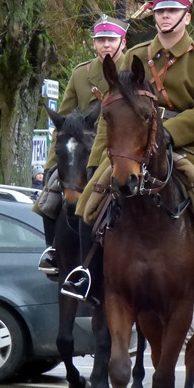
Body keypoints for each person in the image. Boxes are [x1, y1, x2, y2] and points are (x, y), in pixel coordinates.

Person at [67, 0, 194, 302]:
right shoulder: (135, 55)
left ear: (187, 17)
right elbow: (116, 108)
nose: (165, 16)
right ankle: (88, 275)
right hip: (133, 144)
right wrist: (97, 160)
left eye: (172, 11)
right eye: (160, 11)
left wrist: (169, 132)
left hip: (188, 143)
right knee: (87, 206)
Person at [35, 14, 128, 275]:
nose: (106, 45)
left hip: (121, 146)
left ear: (123, 42)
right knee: (50, 195)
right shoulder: (80, 74)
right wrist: (52, 165)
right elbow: (63, 121)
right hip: (82, 147)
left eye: (111, 39)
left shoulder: (132, 70)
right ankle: (52, 251)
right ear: (94, 44)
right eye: (100, 40)